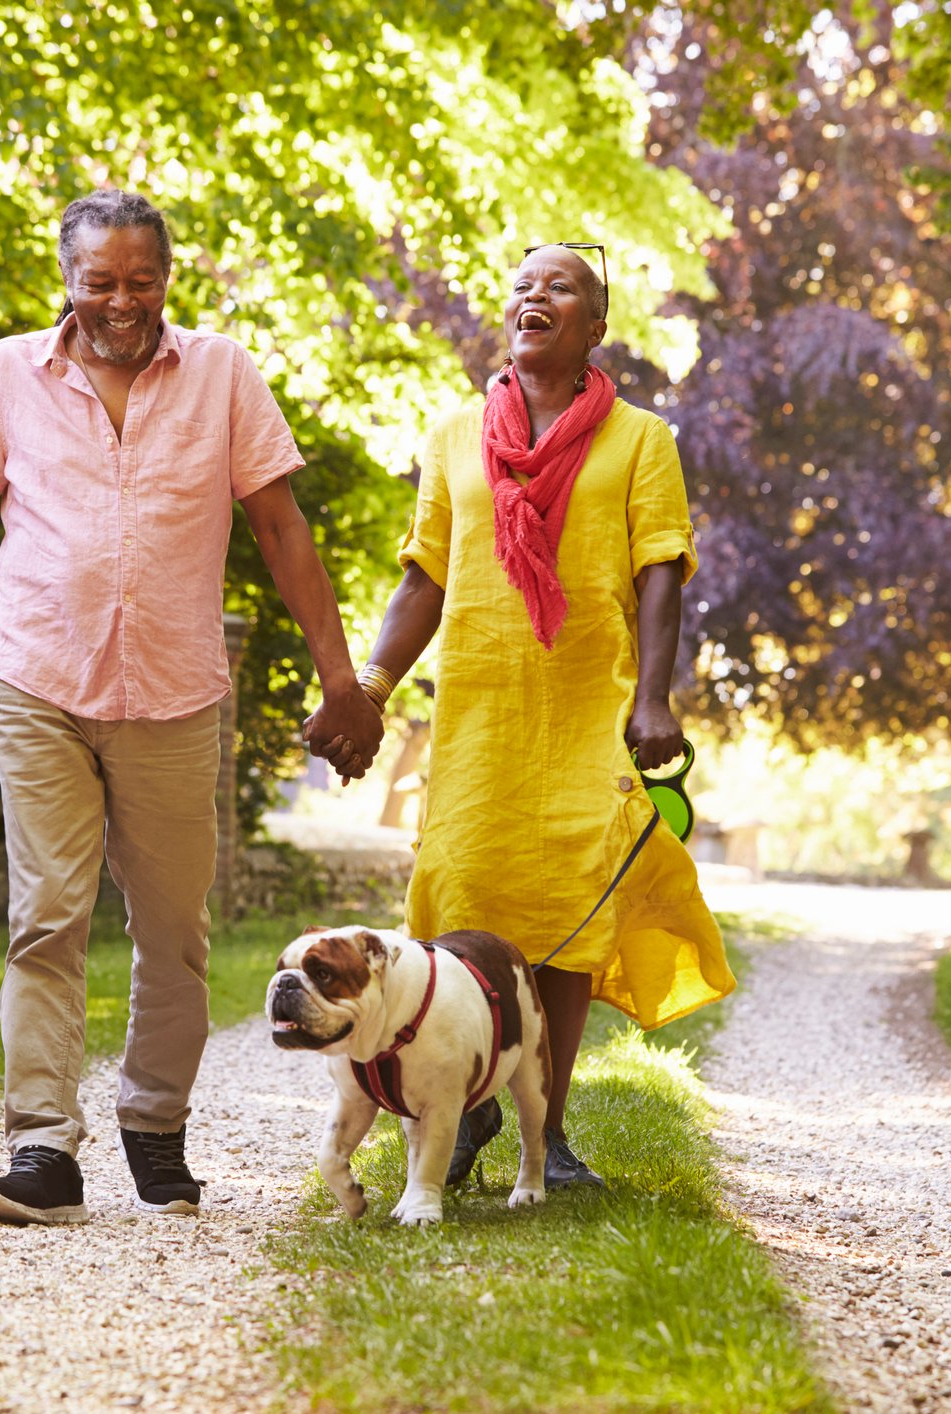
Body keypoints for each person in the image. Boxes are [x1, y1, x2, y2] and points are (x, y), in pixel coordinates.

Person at [0, 189, 384, 1226]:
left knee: (174, 931)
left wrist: (339, 677)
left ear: (167, 279)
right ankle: (42, 1149)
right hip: (38, 681)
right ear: (67, 282)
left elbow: (279, 529)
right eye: (100, 283)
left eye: (142, 280)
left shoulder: (221, 373)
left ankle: (154, 1124)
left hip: (172, 694)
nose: (122, 302)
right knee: (45, 918)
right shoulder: (7, 373)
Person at [321, 243, 735, 1190]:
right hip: (478, 713)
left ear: (595, 325)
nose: (533, 295)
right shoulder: (453, 435)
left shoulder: (640, 440)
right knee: (462, 900)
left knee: (565, 921)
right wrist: (372, 687)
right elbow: (425, 574)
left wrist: (655, 698)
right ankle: (457, 1117)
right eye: (521, 285)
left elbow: (659, 569)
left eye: (560, 286)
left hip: (590, 707)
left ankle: (546, 1134)